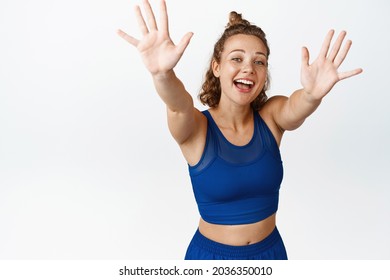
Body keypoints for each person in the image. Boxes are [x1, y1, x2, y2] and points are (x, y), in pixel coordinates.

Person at [117, 0, 362, 260]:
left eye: (260, 62)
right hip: (212, 259)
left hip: (270, 255)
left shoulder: (271, 117)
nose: (249, 68)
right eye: (237, 58)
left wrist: (312, 95)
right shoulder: (197, 129)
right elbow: (178, 106)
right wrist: (162, 75)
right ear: (217, 67)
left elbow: (294, 107)